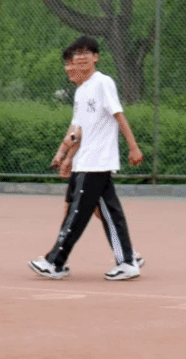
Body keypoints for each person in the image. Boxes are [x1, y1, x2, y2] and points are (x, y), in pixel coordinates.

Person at [29, 35, 144, 281]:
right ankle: (128, 260)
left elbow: (119, 115)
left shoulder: (103, 82)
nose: (80, 58)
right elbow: (78, 131)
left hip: (97, 163)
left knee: (77, 215)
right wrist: (65, 156)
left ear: (96, 57)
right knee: (110, 214)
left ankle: (55, 262)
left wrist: (133, 147)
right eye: (76, 54)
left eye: (86, 53)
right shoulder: (81, 92)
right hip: (87, 162)